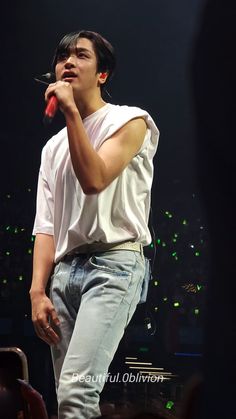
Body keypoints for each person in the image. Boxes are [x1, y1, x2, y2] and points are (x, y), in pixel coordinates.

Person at [29, 30, 159, 419]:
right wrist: (37, 291)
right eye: (63, 56)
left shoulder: (130, 120)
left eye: (81, 56)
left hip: (114, 267)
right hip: (64, 275)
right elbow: (46, 225)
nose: (68, 62)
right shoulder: (52, 148)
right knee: (68, 403)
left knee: (75, 394)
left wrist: (70, 111)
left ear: (102, 74)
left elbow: (95, 179)